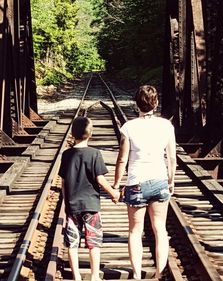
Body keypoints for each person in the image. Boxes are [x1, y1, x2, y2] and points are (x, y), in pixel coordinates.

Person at [113, 85, 177, 279]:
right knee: (160, 229)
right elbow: (172, 158)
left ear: (136, 104)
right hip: (159, 181)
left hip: (136, 183)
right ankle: (158, 274)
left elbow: (122, 159)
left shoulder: (128, 128)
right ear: (155, 103)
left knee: (135, 231)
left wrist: (116, 184)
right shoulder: (166, 125)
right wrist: (171, 180)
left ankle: (137, 274)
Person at [59, 116, 120, 281]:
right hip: (91, 206)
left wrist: (66, 203)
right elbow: (100, 180)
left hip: (72, 206)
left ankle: (77, 276)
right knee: (94, 242)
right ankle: (94, 276)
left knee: (72, 242)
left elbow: (63, 183)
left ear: (72, 134)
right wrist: (114, 193)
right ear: (90, 134)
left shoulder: (66, 155)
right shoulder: (95, 154)